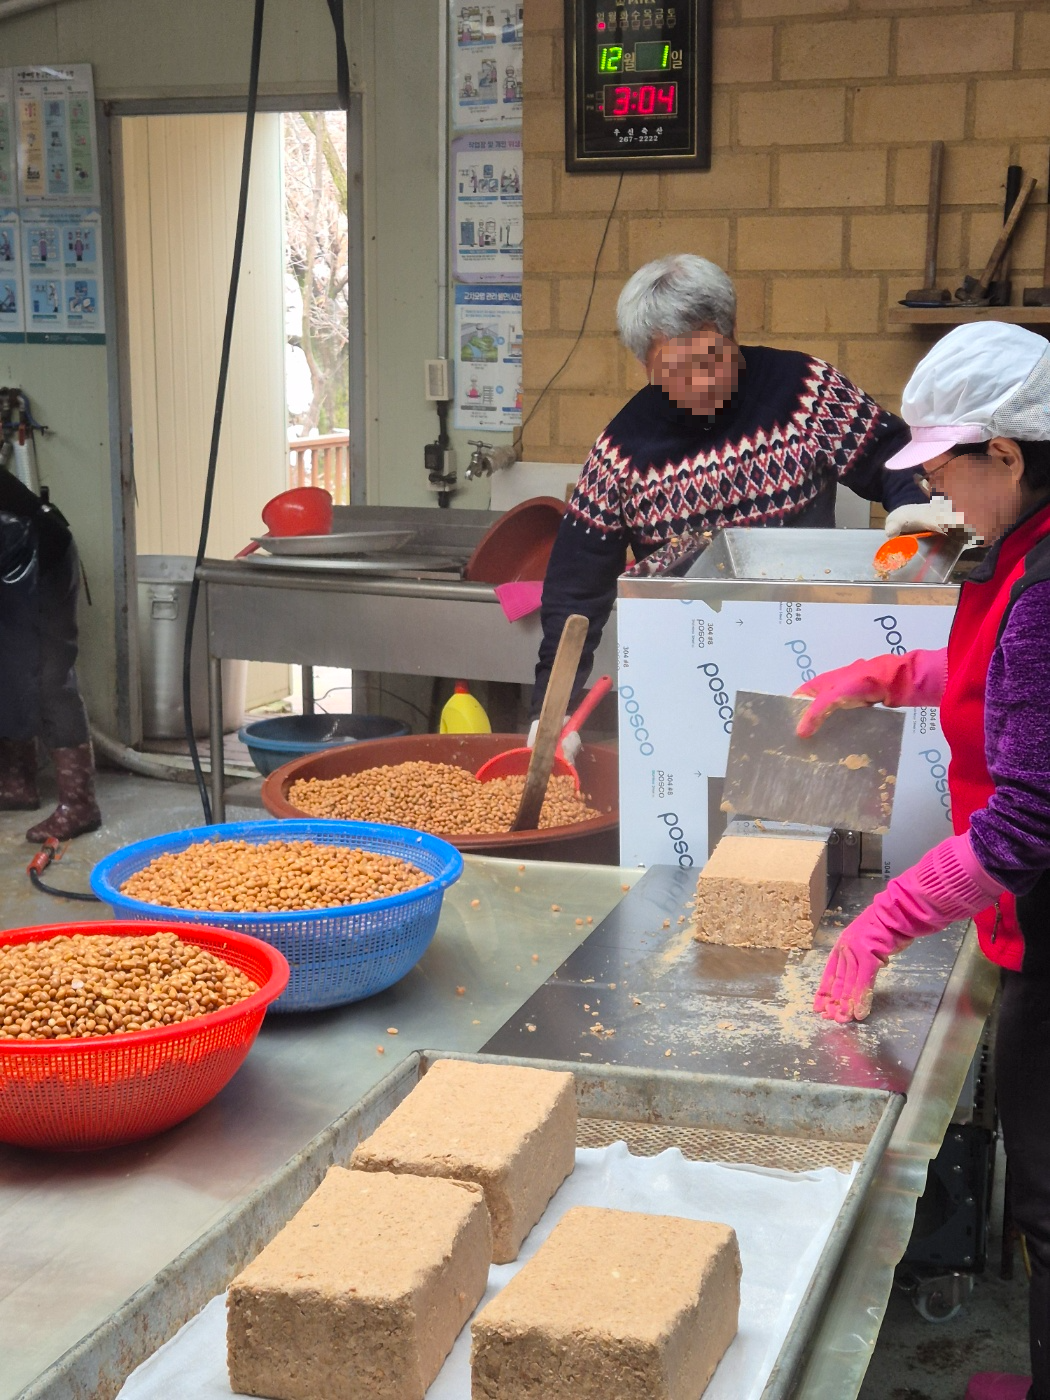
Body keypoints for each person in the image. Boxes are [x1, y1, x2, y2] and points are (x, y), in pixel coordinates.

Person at [795, 321, 1050, 1400]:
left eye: (949, 465)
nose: (938, 490)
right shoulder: (1027, 545)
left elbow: (1027, 826)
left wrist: (883, 920)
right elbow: (1009, 675)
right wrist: (896, 673)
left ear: (1010, 453)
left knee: (1046, 1194)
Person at [529, 254, 937, 723]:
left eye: (711, 360)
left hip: (810, 658)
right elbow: (574, 593)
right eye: (676, 372)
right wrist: (550, 709)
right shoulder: (621, 454)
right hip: (684, 671)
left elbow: (898, 460)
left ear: (731, 333)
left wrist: (917, 514)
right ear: (644, 364)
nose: (700, 383)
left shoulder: (802, 391)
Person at [0, 470, 101, 841]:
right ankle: (17, 784)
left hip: (39, 557)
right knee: (8, 668)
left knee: (48, 676)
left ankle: (79, 805)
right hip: (8, 553)